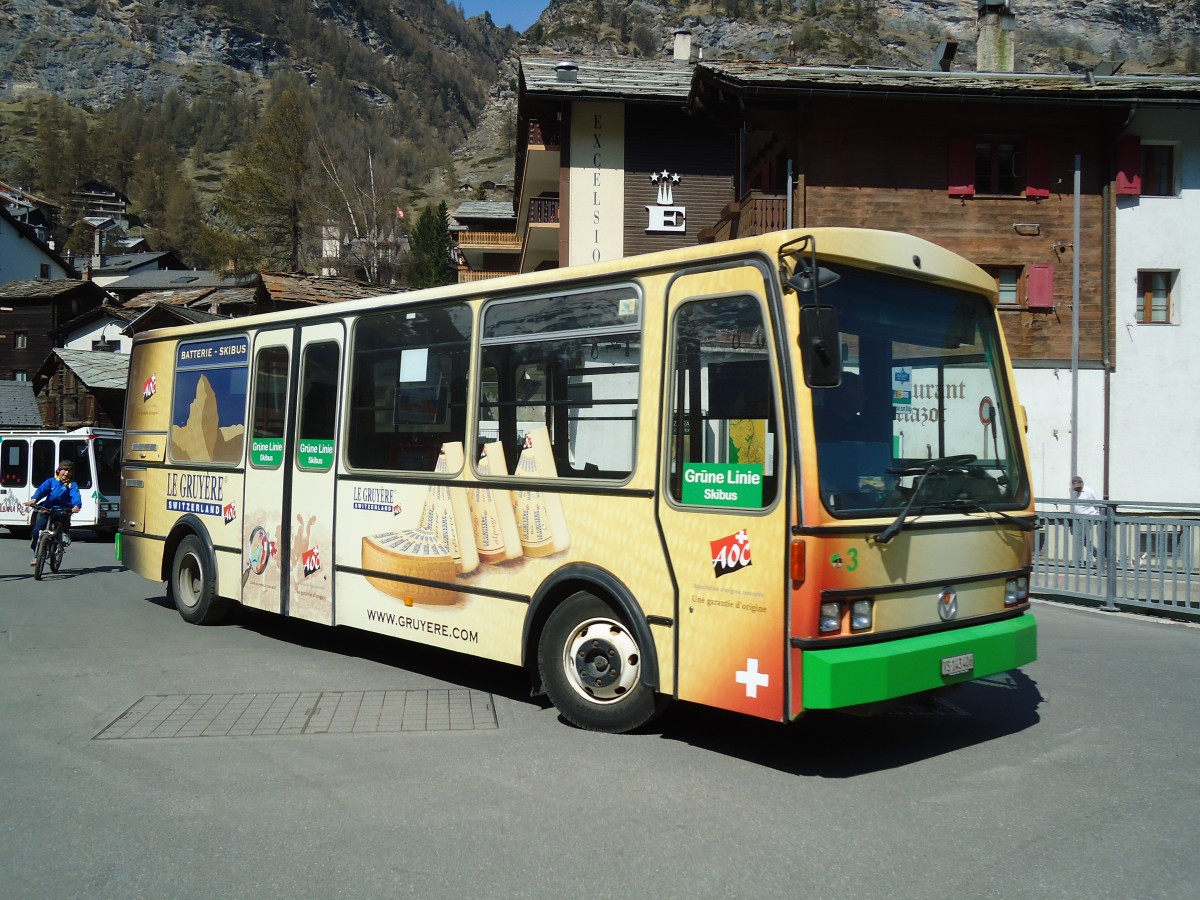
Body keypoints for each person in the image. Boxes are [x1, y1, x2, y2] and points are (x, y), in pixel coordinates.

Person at [29, 461, 82, 566]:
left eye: (69, 471)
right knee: (36, 532)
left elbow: (75, 495)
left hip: (62, 509)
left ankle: (64, 533)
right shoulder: (51, 482)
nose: (66, 473)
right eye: (65, 470)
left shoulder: (72, 485)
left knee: (64, 516)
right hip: (48, 509)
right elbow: (42, 490)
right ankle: (36, 554)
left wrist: (76, 506)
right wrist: (34, 499)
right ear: (59, 471)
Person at [1070, 475, 1103, 566]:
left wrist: (1097, 516)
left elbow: (1098, 503)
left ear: (1082, 484)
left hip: (1087, 517)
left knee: (1079, 539)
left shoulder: (1088, 491)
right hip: (1078, 517)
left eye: (1079, 487)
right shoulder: (1075, 492)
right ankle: (1098, 555)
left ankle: (1078, 561)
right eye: (1076, 487)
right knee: (1083, 540)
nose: (1077, 489)